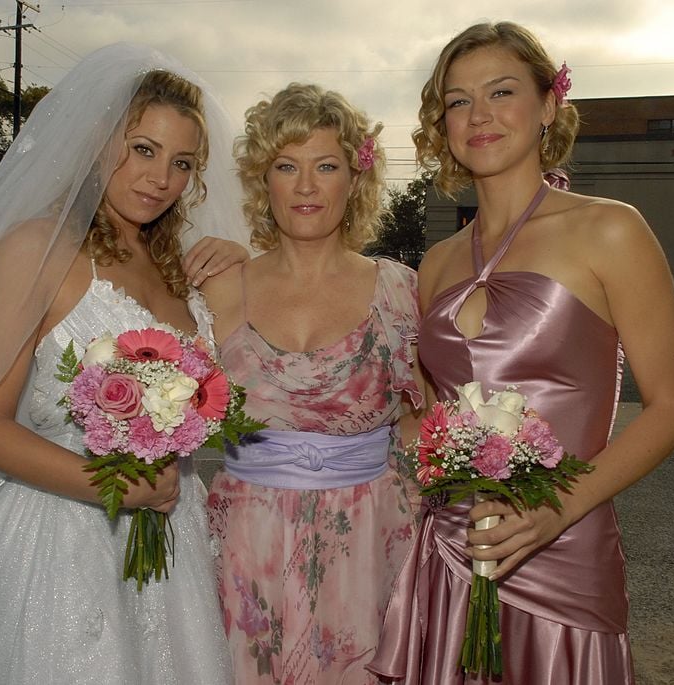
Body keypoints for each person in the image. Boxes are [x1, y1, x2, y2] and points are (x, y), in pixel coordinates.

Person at [0, 43, 250, 683]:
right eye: (143, 149)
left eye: (181, 163)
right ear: (98, 141)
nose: (160, 178)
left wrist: (243, 262)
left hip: (171, 547)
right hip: (56, 543)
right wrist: (118, 485)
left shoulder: (182, 271)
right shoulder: (37, 249)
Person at [367, 21, 674, 684]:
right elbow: (437, 419)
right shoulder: (435, 263)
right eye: (458, 100)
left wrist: (560, 506)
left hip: (564, 545)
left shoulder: (610, 230)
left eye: (501, 91)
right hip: (453, 550)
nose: (479, 115)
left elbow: (672, 406)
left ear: (549, 106)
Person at [203, 83, 423, 684]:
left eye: (325, 165)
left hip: (371, 545)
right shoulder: (216, 290)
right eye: (285, 166)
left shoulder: (402, 291)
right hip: (246, 548)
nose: (305, 186)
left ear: (355, 178)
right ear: (261, 179)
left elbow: (424, 418)